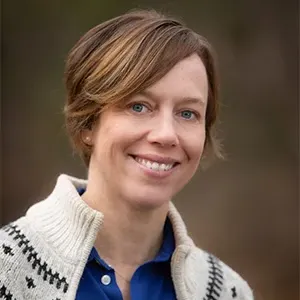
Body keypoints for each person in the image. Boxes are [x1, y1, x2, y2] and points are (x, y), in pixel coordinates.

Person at [0, 9, 253, 300]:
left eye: (187, 113)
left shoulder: (227, 292)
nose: (166, 134)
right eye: (139, 106)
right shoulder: (7, 272)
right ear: (88, 123)